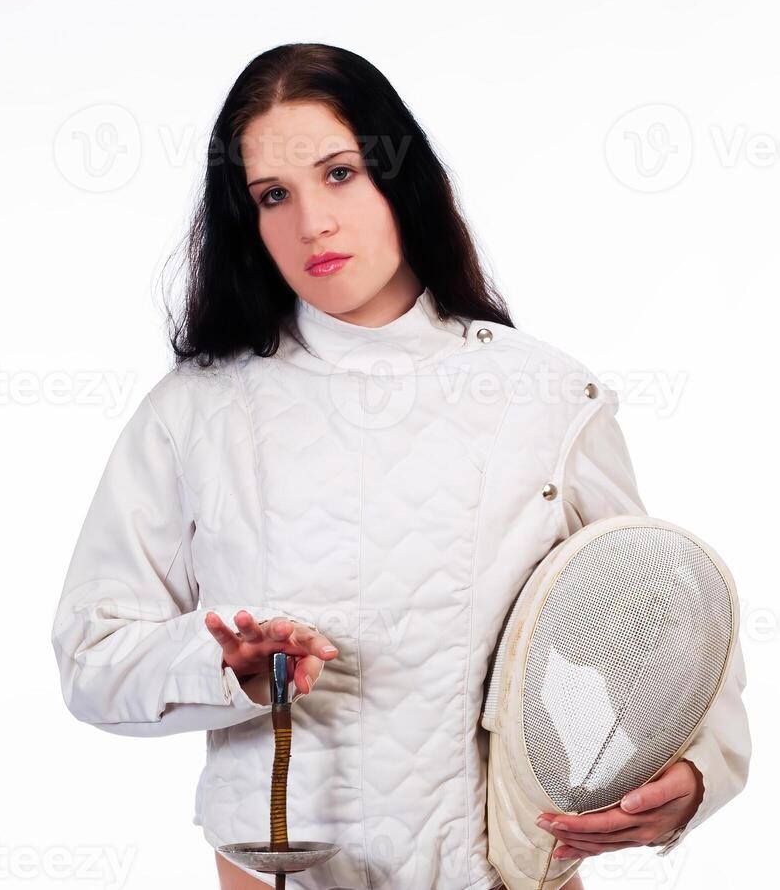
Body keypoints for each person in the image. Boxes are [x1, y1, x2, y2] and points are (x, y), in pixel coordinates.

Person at [50, 43, 750, 890]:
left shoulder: (548, 395)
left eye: (339, 174)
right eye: (274, 195)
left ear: (399, 175)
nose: (313, 224)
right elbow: (92, 654)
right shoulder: (195, 411)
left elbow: (662, 626)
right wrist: (221, 668)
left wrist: (700, 772)